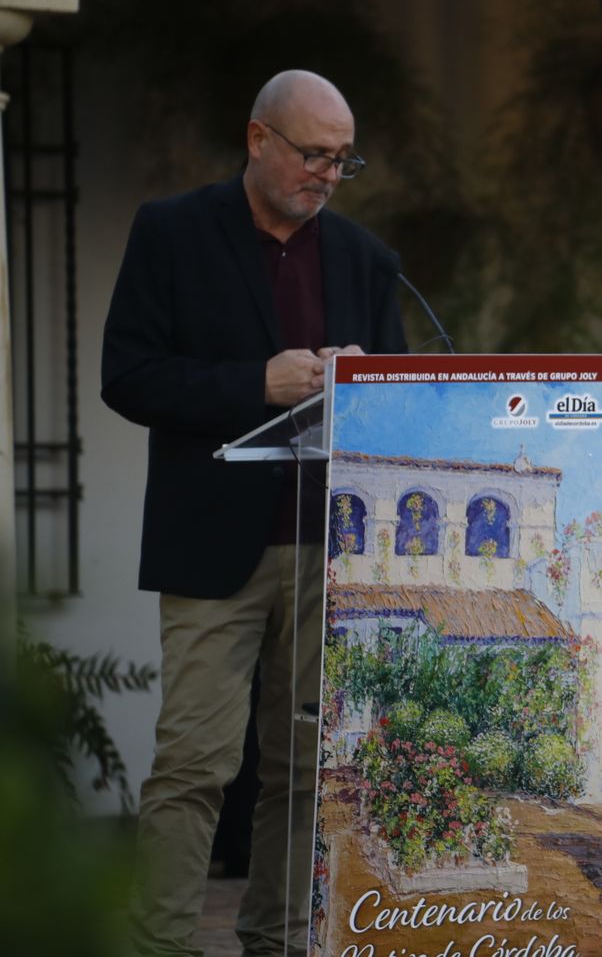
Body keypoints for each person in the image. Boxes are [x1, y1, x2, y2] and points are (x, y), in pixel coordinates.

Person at [102, 70, 407, 957]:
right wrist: (254, 384)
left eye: (342, 161)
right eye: (313, 154)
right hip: (214, 547)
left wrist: (369, 385)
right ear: (258, 140)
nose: (325, 174)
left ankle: (276, 939)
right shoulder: (172, 233)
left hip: (330, 548)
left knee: (308, 764)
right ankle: (158, 944)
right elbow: (128, 376)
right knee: (194, 763)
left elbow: (402, 399)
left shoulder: (363, 256)